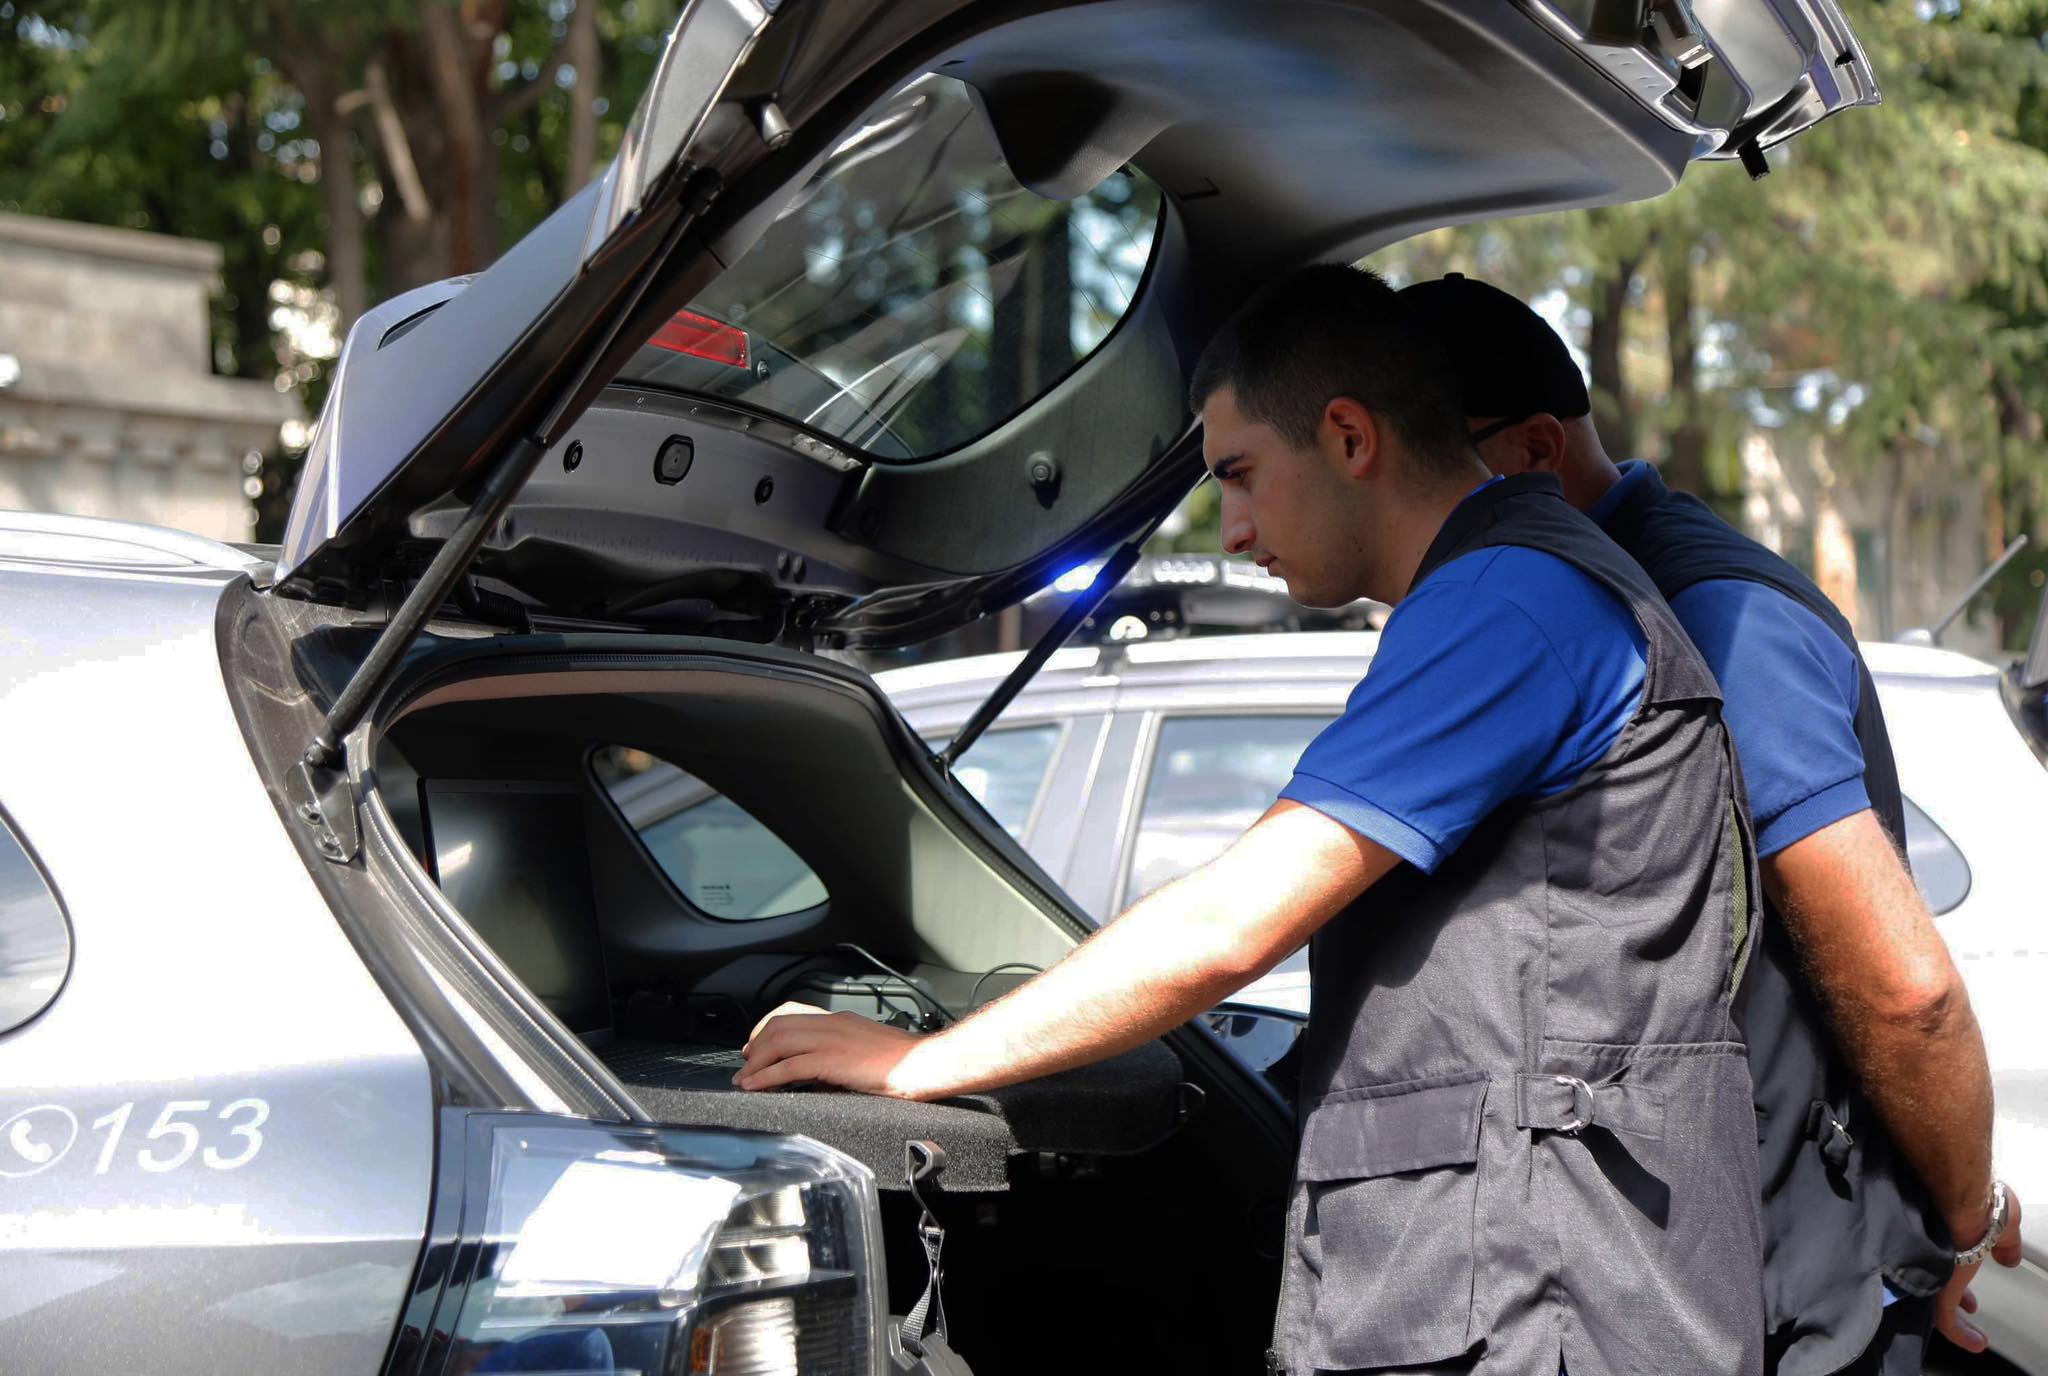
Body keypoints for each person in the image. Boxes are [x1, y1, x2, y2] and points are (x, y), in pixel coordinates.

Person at [739, 263, 1767, 1374]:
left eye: (1239, 473)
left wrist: (924, 1063)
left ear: (1349, 437)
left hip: (1546, 1303)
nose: (1230, 529)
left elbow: (1234, 921)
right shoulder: (1513, 584)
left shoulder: (1509, 601)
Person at [1398, 271, 2024, 1376]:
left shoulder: (1708, 615)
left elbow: (1905, 990)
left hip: (1793, 1305)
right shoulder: (1577, 601)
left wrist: (1962, 1223)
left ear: (1535, 450)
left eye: (1425, 466)